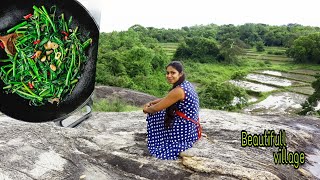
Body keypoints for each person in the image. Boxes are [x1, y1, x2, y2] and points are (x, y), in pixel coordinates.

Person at [143, 61, 201, 160]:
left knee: (155, 114)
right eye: (167, 73)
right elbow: (167, 99)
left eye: (173, 73)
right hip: (191, 126)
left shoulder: (179, 90)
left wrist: (146, 109)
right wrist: (153, 102)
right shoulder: (185, 84)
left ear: (180, 74)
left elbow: (157, 108)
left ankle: (158, 139)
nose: (169, 75)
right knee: (161, 113)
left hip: (184, 128)